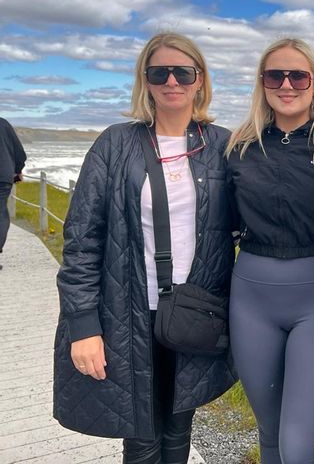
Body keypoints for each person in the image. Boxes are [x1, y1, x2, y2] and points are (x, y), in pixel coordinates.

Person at [53, 32, 237, 464]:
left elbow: (259, 212)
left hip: (196, 311)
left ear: (199, 80)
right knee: (140, 433)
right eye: (159, 72)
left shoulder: (224, 146)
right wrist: (83, 325)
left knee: (178, 427)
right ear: (146, 80)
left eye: (183, 72)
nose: (171, 80)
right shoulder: (115, 144)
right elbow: (81, 240)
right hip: (128, 312)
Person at [226, 38, 314, 464]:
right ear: (262, 83)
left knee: (298, 446)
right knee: (269, 436)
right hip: (251, 297)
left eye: (297, 75)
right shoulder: (240, 147)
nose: (286, 84)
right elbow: (221, 226)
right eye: (274, 75)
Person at [0, 116, 26, 269]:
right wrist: (17, 170)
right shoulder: (3, 124)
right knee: (0, 213)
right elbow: (19, 152)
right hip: (3, 176)